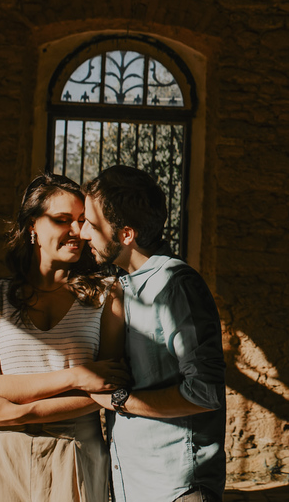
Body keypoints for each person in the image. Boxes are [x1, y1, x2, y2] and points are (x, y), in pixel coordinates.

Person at [0, 173, 129, 502]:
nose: (77, 232)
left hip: (76, 452)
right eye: (63, 220)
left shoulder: (109, 296)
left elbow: (108, 387)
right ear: (32, 226)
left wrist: (21, 411)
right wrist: (78, 376)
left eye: (82, 221)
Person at [79, 165, 227, 502]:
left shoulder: (177, 286)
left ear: (126, 234)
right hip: (136, 485)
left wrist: (120, 401)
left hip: (176, 489)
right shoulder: (126, 286)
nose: (83, 232)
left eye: (91, 222)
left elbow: (204, 392)